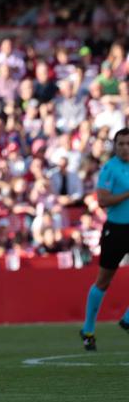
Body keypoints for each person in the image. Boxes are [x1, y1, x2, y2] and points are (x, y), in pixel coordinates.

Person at [80, 127, 129, 351]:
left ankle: (127, 319)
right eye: (120, 144)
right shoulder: (110, 169)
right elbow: (102, 200)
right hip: (116, 230)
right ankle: (88, 329)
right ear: (115, 146)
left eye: (128, 144)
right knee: (103, 281)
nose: (125, 148)